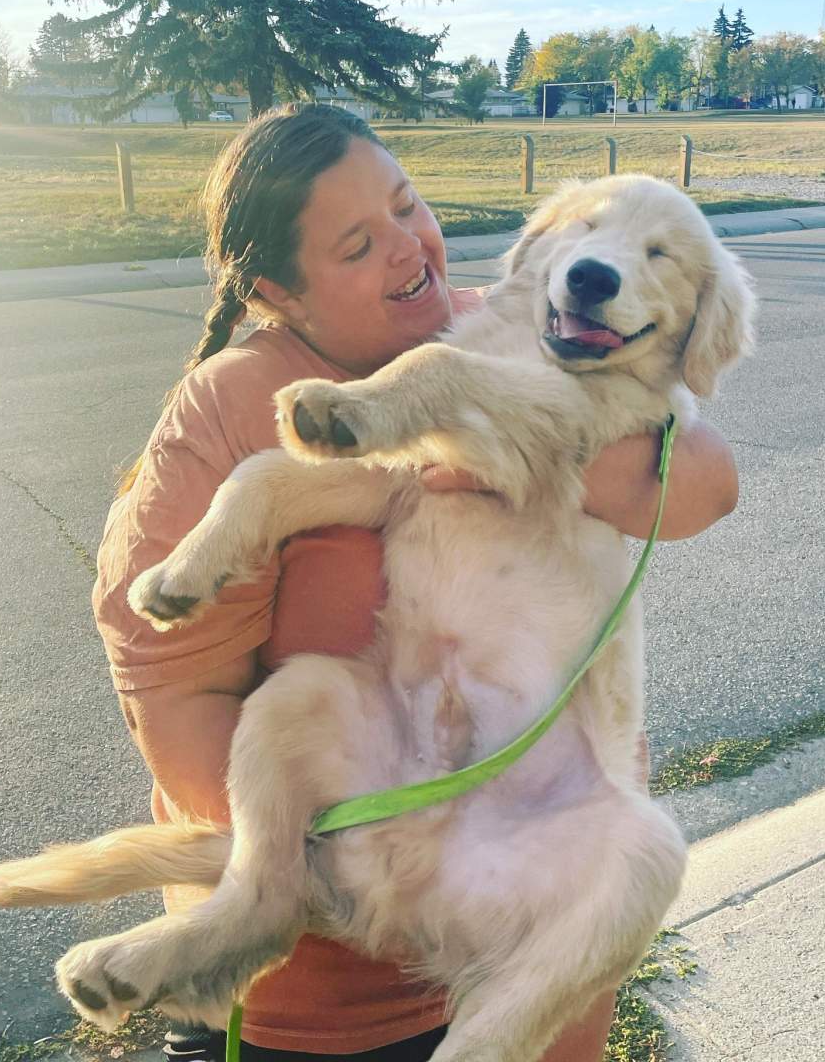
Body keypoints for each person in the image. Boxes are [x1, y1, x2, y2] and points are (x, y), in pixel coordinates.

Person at [93, 104, 739, 1062]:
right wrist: (382, 858)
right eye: (359, 243)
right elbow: (175, 704)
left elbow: (706, 483)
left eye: (407, 206)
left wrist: (509, 447)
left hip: (514, 868)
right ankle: (246, 912)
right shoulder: (232, 400)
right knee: (296, 700)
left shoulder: (493, 328)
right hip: (320, 997)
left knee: (645, 856)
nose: (408, 248)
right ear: (281, 290)